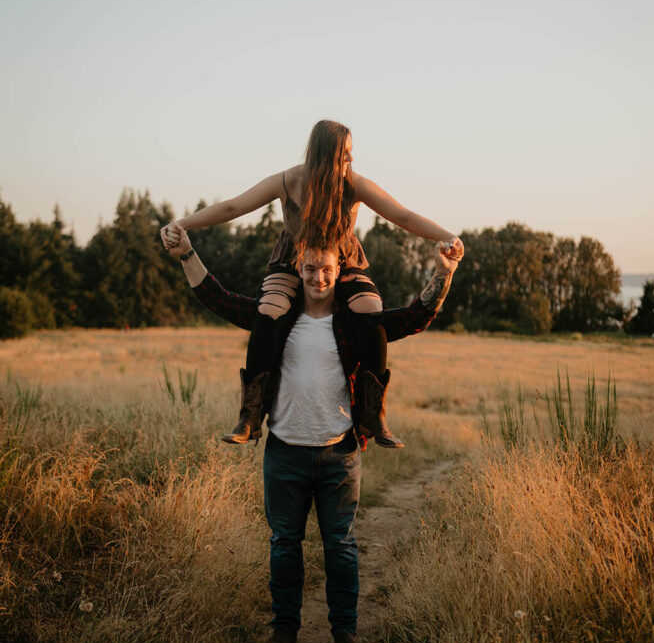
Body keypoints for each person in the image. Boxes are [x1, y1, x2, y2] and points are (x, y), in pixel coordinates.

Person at [166, 222, 461, 643]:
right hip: (284, 451)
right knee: (284, 545)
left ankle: (345, 633)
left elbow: (413, 316)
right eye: (308, 268)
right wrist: (188, 253)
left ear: (338, 268)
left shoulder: (355, 324)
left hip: (339, 453)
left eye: (325, 268)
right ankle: (285, 630)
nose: (317, 277)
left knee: (339, 546)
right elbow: (219, 299)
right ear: (297, 269)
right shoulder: (278, 319)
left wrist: (444, 272)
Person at [160, 119, 464, 450]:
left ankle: (372, 413)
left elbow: (402, 216)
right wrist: (181, 224)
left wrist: (447, 236)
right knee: (269, 308)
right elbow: (233, 207)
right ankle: (250, 415)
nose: (350, 160)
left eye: (351, 153)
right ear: (324, 153)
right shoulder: (288, 180)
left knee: (370, 307)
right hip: (294, 262)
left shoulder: (354, 183)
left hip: (341, 262)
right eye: (344, 154)